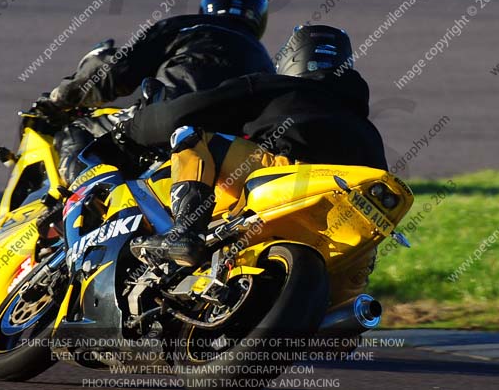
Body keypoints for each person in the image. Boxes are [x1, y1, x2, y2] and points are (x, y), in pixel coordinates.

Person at [121, 24, 386, 295]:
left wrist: (133, 127)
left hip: (286, 174)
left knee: (189, 134)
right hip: (347, 215)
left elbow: (181, 114)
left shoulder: (275, 87)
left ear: (290, 59)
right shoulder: (365, 127)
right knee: (346, 306)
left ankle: (186, 232)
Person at [39, 0, 275, 183]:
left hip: (169, 119)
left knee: (77, 131)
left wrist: (60, 98)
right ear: (259, 17)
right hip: (231, 146)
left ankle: (85, 199)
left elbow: (115, 71)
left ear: (207, 7)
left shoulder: (186, 27)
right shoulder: (265, 60)